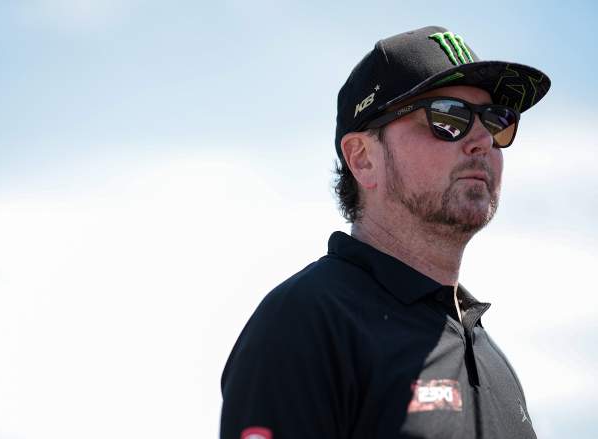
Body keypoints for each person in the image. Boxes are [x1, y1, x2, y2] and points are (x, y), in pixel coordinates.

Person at [219, 26, 550, 439]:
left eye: (497, 120)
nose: (483, 140)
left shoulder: (495, 365)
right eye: (448, 117)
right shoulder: (306, 323)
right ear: (363, 158)